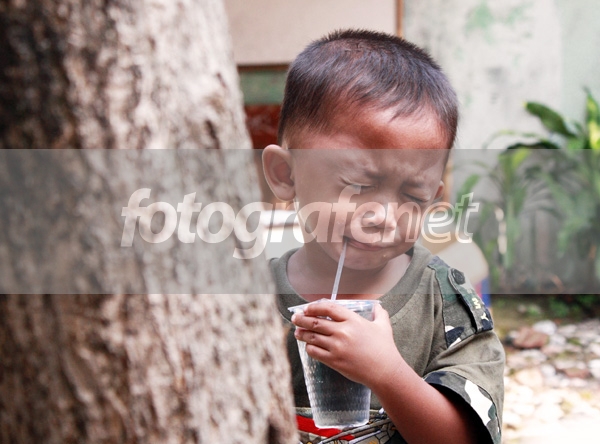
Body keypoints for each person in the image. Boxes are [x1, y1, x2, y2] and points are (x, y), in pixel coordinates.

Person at [262, 29, 504, 444]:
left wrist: (386, 373)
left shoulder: (443, 303)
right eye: (358, 185)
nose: (384, 217)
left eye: (412, 195)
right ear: (286, 175)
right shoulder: (248, 300)